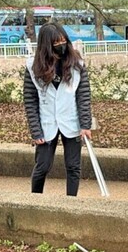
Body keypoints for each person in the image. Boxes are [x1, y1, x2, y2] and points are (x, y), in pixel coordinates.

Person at [23, 22, 92, 197]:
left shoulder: (77, 64)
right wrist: (35, 130)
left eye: (63, 41)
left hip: (72, 120)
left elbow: (83, 97)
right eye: (55, 44)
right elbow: (30, 100)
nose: (60, 46)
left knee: (73, 166)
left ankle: (71, 203)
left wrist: (85, 124)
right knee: (42, 166)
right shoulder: (33, 67)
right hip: (46, 122)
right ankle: (35, 199)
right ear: (46, 46)